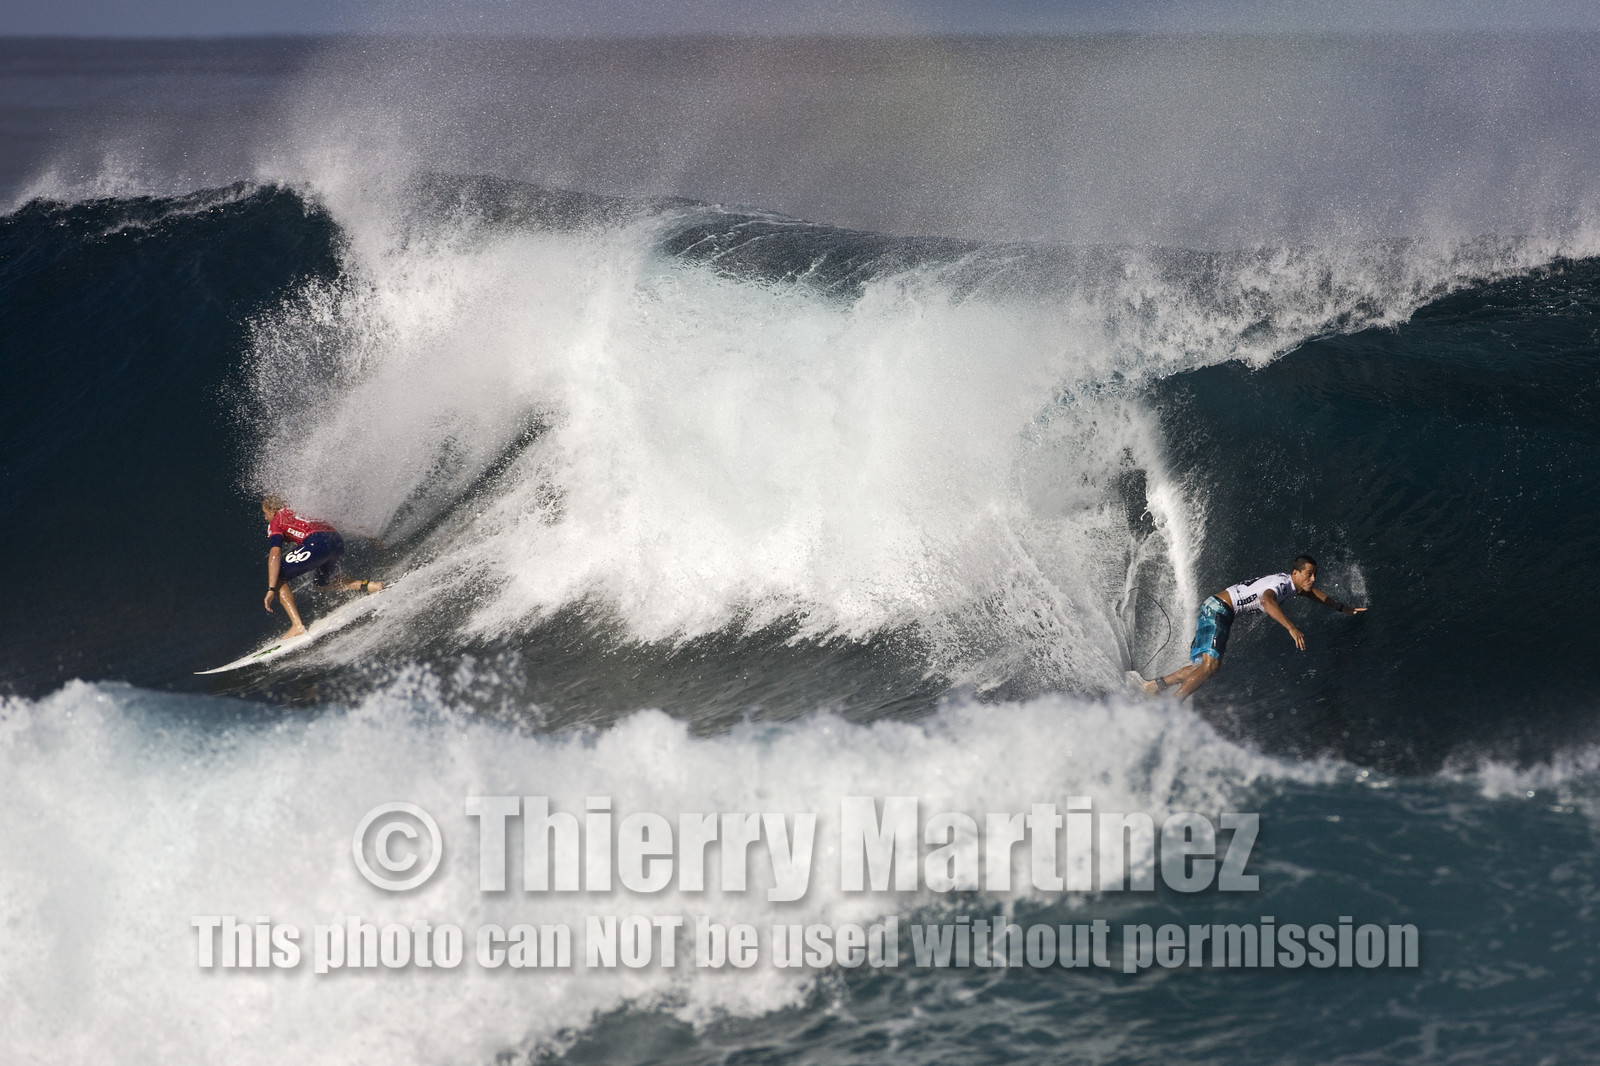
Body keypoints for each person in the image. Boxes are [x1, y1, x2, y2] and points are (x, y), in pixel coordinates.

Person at [1138, 555, 1365, 700]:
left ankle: (1154, 686)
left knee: (1203, 668)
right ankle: (1171, 707)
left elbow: (1311, 593)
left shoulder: (1290, 584)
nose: (1313, 578)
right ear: (1295, 573)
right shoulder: (1280, 584)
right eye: (1309, 574)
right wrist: (1291, 628)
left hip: (1217, 608)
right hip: (1220, 610)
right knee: (1210, 667)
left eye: (1315, 574)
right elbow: (1267, 601)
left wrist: (1340, 607)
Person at [260, 494, 383, 639]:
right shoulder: (302, 511)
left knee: (278, 575)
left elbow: (275, 552)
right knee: (322, 582)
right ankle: (369, 586)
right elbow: (341, 524)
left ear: (272, 510)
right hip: (336, 541)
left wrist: (271, 589)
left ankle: (297, 625)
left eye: (265, 513)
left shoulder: (276, 521)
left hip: (316, 544)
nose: (265, 517)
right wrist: (370, 536)